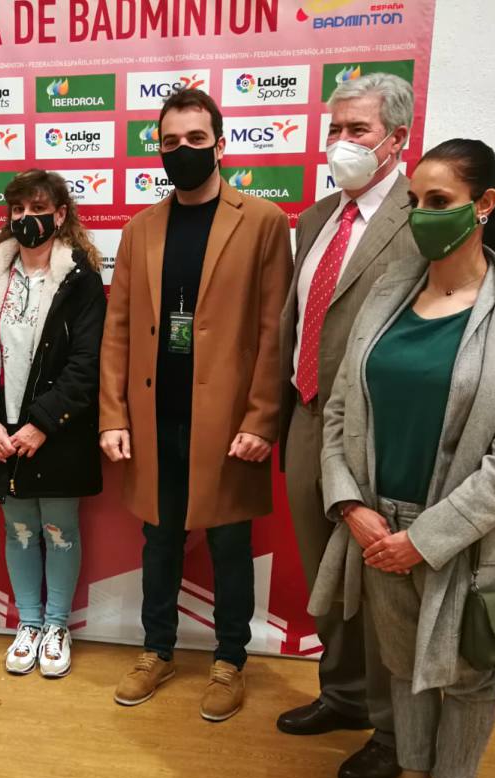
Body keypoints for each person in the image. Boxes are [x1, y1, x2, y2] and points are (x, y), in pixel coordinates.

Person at [312, 140, 495, 778]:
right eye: (414, 203)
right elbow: (340, 412)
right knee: (403, 667)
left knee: (462, 678)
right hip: (376, 524)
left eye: (438, 203)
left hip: (465, 538)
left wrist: (425, 538)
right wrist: (350, 506)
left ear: (483, 207)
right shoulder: (387, 297)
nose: (421, 216)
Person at [99, 88, 293, 719]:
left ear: (219, 143)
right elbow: (118, 331)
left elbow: (274, 332)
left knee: (230, 542)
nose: (182, 151)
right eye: (170, 142)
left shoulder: (262, 222)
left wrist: (263, 418)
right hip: (158, 416)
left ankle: (229, 660)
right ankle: (156, 651)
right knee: (159, 538)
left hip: (229, 420)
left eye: (195, 140)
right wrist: (113, 415)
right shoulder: (140, 229)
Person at [275, 73, 419, 778]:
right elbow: (297, 321)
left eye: (357, 130)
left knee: (383, 591)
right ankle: (342, 696)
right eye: (335, 128)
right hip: (307, 418)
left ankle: (395, 735)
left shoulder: (421, 216)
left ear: (397, 138)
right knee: (325, 579)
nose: (341, 143)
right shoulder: (315, 217)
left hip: (377, 434)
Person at [0, 170, 106, 677]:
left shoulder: (80, 279)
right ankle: (30, 623)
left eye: (37, 209)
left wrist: (41, 423)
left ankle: (57, 624)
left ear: (60, 216)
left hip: (56, 431)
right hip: (1, 432)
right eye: (17, 210)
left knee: (59, 529)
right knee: (18, 530)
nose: (26, 219)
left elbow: (87, 364)